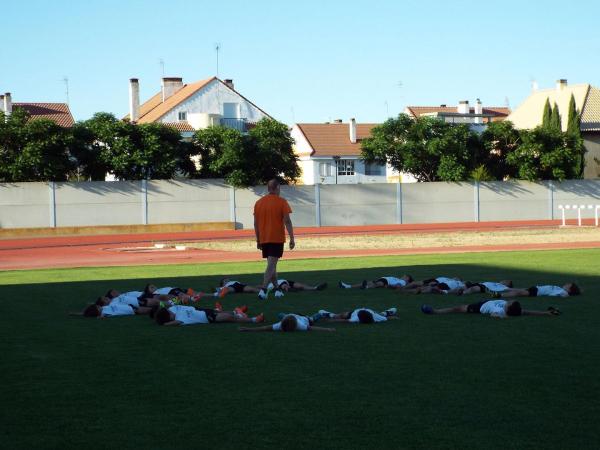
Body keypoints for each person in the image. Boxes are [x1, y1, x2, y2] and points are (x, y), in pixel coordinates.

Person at [253, 179, 295, 300]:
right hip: (276, 238)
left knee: (272, 265)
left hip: (264, 238)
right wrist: (292, 237)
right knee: (271, 265)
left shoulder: (259, 203)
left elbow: (255, 223)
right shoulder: (282, 202)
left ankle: (277, 289)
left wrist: (258, 240)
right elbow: (287, 221)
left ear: (268, 188)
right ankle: (263, 289)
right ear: (277, 188)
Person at [420, 300, 561, 318]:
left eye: (510, 302)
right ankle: (436, 311)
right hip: (486, 302)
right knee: (459, 307)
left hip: (480, 307)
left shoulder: (501, 311)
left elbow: (494, 315)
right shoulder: (516, 309)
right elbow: (529, 311)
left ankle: (435, 311)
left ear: (508, 307)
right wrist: (546, 313)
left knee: (458, 308)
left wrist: (502, 316)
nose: (509, 301)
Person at [154, 304, 264, 326]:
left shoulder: (175, 311)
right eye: (169, 313)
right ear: (168, 317)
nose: (171, 312)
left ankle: (238, 312)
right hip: (207, 318)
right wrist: (166, 324)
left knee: (222, 312)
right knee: (229, 318)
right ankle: (254, 320)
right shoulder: (179, 320)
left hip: (204, 312)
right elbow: (172, 323)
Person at [239, 313, 335, 332]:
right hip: (295, 315)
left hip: (305, 319)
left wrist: (328, 329)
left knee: (314, 318)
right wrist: (248, 329)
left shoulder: (299, 325)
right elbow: (265, 328)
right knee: (280, 314)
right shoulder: (281, 325)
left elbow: (312, 327)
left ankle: (321, 313)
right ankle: (320, 314)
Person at [491, 283, 580, 298]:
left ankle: (499, 295)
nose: (566, 283)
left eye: (568, 285)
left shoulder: (563, 292)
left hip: (537, 292)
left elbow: (565, 295)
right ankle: (500, 289)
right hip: (536, 288)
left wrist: (568, 294)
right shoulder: (560, 289)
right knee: (519, 290)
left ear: (569, 289)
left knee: (519, 292)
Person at [315, 307, 398, 324]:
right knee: (381, 314)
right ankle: (388, 312)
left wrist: (331, 320)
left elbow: (344, 320)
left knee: (342, 315)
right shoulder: (376, 318)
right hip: (371, 311)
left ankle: (328, 314)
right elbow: (386, 319)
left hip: (354, 312)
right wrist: (394, 317)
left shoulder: (355, 318)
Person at [339, 275, 413, 290]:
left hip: (386, 281)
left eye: (405, 276)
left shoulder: (403, 282)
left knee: (377, 284)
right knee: (369, 283)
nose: (403, 276)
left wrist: (389, 286)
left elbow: (398, 286)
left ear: (407, 279)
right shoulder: (400, 279)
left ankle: (366, 287)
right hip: (383, 279)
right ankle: (347, 286)